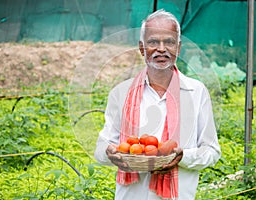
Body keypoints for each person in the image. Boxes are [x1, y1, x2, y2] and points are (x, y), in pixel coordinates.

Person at [94, 9, 221, 200]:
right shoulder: (121, 93)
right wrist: (109, 152)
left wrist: (183, 157)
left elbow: (211, 151)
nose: (161, 48)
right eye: (153, 42)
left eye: (169, 42)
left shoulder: (196, 92)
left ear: (178, 48)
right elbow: (102, 148)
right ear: (142, 48)